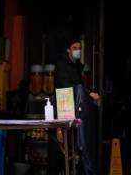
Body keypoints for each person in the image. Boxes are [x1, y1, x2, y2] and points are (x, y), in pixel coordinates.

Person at [50, 39, 101, 175]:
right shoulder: (61, 65)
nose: (78, 50)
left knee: (74, 145)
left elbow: (80, 88)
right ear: (68, 50)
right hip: (62, 109)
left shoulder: (77, 66)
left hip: (75, 111)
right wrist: (89, 94)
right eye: (75, 47)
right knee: (61, 147)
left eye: (79, 48)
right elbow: (68, 87)